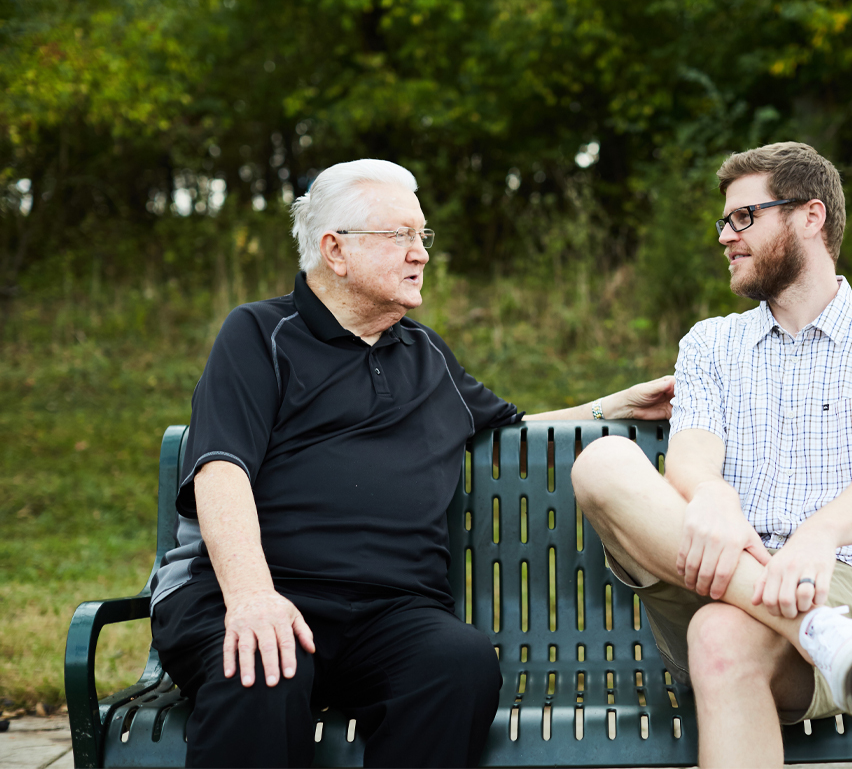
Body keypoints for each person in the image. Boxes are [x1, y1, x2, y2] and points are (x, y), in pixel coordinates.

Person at [147, 158, 674, 768]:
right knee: (264, 668)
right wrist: (253, 597)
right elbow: (220, 468)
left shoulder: (425, 354)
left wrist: (614, 405)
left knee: (457, 665)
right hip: (246, 592)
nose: (421, 253)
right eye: (399, 236)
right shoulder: (259, 335)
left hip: (389, 612)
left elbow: (510, 427)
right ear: (335, 251)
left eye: (422, 236)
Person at [571, 142, 852, 768]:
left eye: (744, 217)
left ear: (810, 217)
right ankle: (817, 631)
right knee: (601, 464)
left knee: (720, 639)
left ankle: (823, 623)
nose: (725, 236)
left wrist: (818, 536)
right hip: (722, 569)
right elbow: (690, 459)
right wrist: (713, 495)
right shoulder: (711, 344)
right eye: (724, 220)